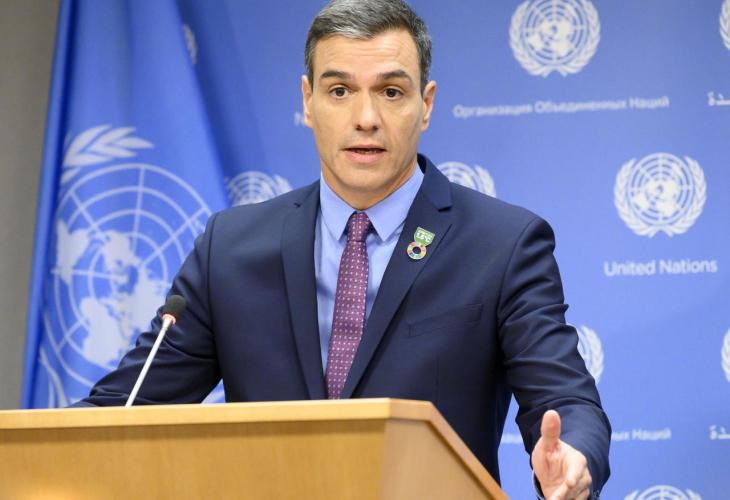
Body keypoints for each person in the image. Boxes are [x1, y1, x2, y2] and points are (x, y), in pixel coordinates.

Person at [74, 0, 610, 497]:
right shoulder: (230, 250)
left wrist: (573, 458)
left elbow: (565, 399)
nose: (365, 118)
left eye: (391, 92)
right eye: (339, 91)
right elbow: (122, 410)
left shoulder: (501, 244)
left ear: (426, 105)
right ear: (307, 101)